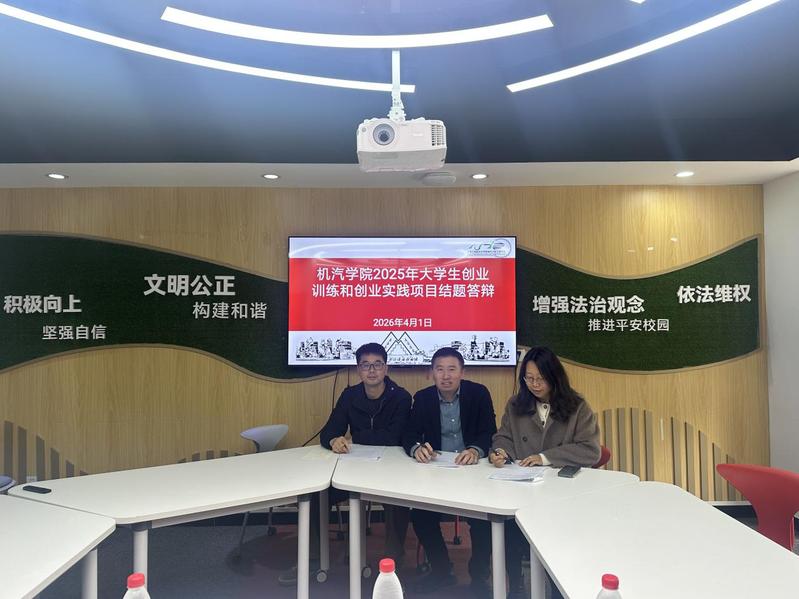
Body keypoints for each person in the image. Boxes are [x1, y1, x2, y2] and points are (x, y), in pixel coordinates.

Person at [279, 342, 412, 586]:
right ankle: (312, 560)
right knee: (315, 495)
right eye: (365, 365)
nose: (371, 370)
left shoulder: (401, 397)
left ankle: (393, 566)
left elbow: (394, 437)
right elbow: (329, 431)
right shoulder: (350, 395)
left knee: (398, 501)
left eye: (377, 364)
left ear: (386, 368)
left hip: (389, 471)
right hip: (352, 471)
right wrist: (334, 440)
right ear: (358, 369)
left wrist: (356, 438)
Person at [490, 346, 601, 598]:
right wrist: (501, 451)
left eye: (541, 378)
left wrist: (544, 458)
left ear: (554, 377)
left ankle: (558, 591)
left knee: (556, 547)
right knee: (509, 532)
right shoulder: (516, 404)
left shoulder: (577, 406)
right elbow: (504, 436)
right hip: (521, 490)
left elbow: (591, 450)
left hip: (562, 495)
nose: (535, 384)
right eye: (529, 378)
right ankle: (516, 587)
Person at [402, 347, 497, 597]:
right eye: (440, 369)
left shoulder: (479, 394)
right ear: (431, 373)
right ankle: (442, 570)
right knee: (421, 516)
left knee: (483, 520)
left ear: (462, 372)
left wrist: (475, 449)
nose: (446, 376)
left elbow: (489, 431)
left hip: (472, 470)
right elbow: (409, 434)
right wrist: (417, 448)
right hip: (437, 472)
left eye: (452, 369)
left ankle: (479, 575)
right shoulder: (422, 398)